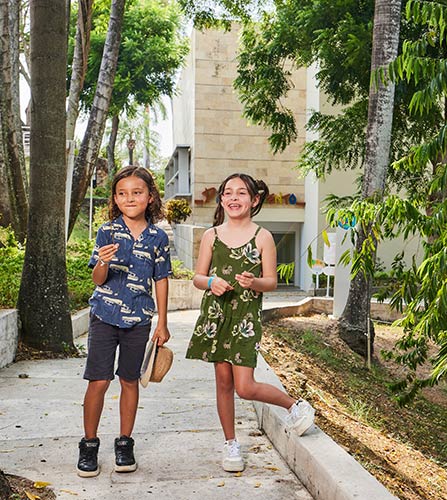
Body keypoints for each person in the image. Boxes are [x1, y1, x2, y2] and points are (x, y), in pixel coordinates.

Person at [186, 173, 315, 473]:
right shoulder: (211, 236)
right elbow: (197, 277)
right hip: (216, 316)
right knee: (223, 382)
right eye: (227, 192)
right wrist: (211, 282)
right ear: (221, 200)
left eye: (241, 193)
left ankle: (294, 405)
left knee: (244, 387)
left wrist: (254, 281)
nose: (234, 198)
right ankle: (230, 444)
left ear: (254, 200)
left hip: (244, 317)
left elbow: (271, 282)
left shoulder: (263, 237)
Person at [77, 166, 172, 477]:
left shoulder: (158, 236)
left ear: (150, 197)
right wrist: (103, 260)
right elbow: (97, 278)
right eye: (122, 193)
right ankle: (89, 445)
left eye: (137, 192)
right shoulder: (107, 231)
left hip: (140, 319)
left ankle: (124, 444)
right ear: (115, 199)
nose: (129, 198)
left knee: (130, 380)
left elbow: (161, 279)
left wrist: (162, 322)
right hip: (104, 316)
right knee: (99, 380)